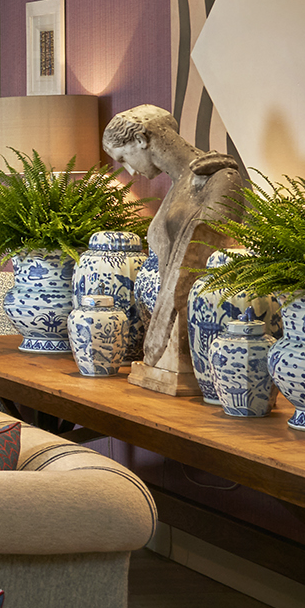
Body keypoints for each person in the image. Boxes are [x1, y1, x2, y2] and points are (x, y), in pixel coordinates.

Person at [103, 104, 247, 392]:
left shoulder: (220, 179)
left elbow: (199, 255)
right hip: (162, 345)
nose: (130, 170)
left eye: (124, 158)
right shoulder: (177, 185)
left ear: (141, 139)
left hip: (192, 331)